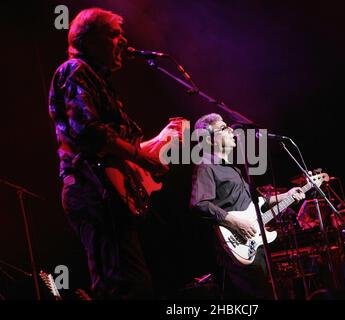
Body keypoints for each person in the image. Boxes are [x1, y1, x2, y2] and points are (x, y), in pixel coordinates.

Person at [48, 8, 181, 299]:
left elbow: (114, 145)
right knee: (122, 286)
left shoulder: (97, 80)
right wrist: (141, 157)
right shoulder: (75, 71)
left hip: (104, 191)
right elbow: (89, 131)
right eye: (114, 34)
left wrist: (158, 144)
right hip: (91, 190)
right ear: (89, 39)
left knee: (131, 284)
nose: (123, 41)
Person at [189, 113, 305, 299]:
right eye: (224, 127)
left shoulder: (233, 169)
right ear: (209, 140)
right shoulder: (206, 166)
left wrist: (287, 195)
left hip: (252, 244)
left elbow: (256, 204)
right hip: (235, 247)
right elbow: (199, 204)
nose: (230, 130)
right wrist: (233, 221)